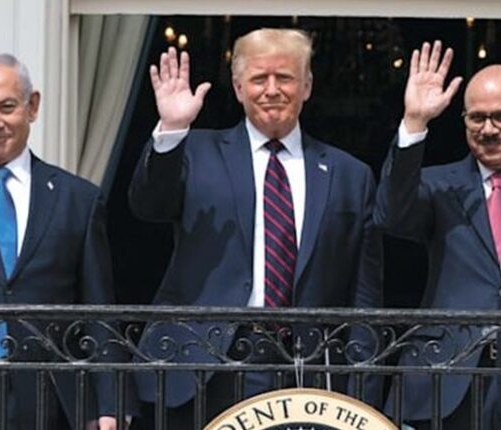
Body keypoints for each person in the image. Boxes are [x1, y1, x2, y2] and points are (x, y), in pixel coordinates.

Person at [128, 28, 382, 429]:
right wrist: (172, 129)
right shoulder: (194, 152)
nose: (272, 90)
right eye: (259, 78)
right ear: (238, 87)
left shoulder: (350, 175)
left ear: (307, 86)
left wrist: (362, 388)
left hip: (305, 371)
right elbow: (149, 207)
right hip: (203, 366)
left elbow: (363, 294)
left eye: (285, 78)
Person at [0, 52, 122, 430]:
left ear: (32, 106)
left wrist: (108, 404)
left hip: (47, 392)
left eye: (7, 106)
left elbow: (98, 308)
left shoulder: (77, 198)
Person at [375, 41, 501, 429]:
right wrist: (415, 122)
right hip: (444, 380)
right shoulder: (440, 185)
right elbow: (391, 215)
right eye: (476, 118)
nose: (488, 129)